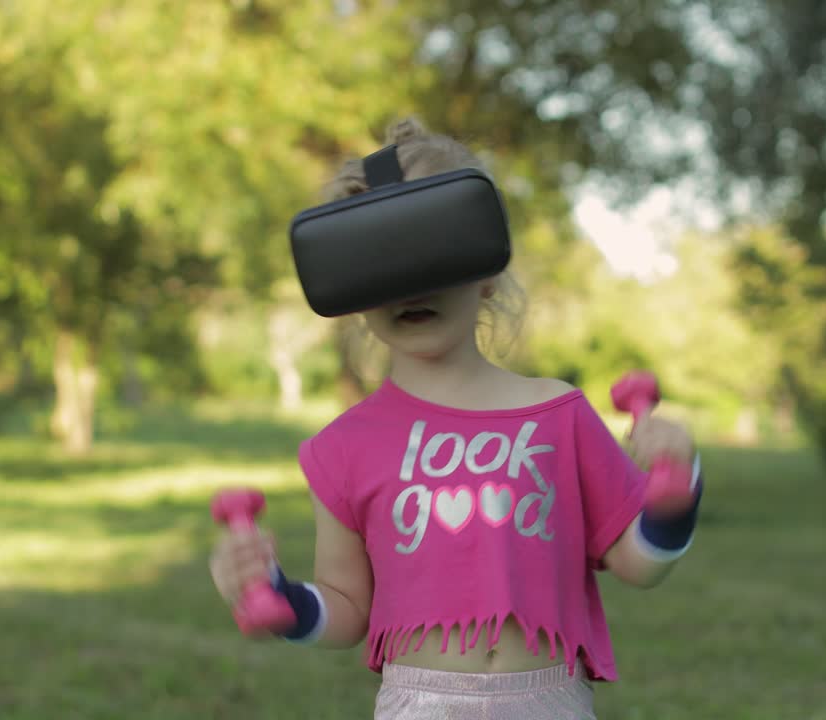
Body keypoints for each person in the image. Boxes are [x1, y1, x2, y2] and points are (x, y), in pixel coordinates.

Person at [210, 118, 704, 719]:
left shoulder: (558, 414)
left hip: (549, 703)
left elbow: (639, 564)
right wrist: (280, 599)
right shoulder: (342, 449)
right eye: (379, 263)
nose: (410, 286)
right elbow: (348, 608)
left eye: (434, 252)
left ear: (488, 268)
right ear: (350, 288)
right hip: (420, 706)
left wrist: (677, 490)